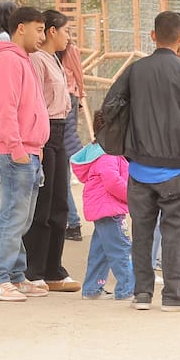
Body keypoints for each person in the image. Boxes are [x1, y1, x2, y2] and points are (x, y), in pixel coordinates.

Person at [101, 10, 180, 312]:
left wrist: (127, 140)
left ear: (153, 36)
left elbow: (109, 105)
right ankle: (174, 294)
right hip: (178, 168)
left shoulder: (136, 71)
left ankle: (142, 293)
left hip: (139, 167)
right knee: (174, 230)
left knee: (142, 230)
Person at [0, 6, 50, 303]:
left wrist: (36, 148)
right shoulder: (8, 60)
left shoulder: (24, 60)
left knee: (22, 217)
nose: (42, 36)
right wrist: (16, 147)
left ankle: (15, 275)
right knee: (12, 216)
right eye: (38, 29)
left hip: (28, 151)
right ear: (21, 28)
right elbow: (5, 108)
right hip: (12, 153)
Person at [24, 9, 79, 292]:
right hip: (44, 133)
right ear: (51, 31)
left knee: (60, 203)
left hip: (60, 131)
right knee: (42, 205)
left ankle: (53, 268)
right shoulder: (36, 60)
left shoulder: (56, 60)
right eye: (66, 31)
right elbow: (33, 102)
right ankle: (33, 269)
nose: (68, 38)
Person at [71, 112, 134, 301]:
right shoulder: (107, 154)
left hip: (103, 208)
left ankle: (92, 288)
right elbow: (113, 181)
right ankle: (128, 289)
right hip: (110, 209)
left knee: (101, 251)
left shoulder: (102, 151)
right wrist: (132, 196)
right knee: (121, 248)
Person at [61, 38, 86, 242]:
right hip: (69, 95)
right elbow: (78, 73)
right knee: (63, 159)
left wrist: (81, 92)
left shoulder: (68, 48)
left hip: (68, 96)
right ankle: (72, 221)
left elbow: (78, 73)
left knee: (67, 151)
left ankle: (73, 221)